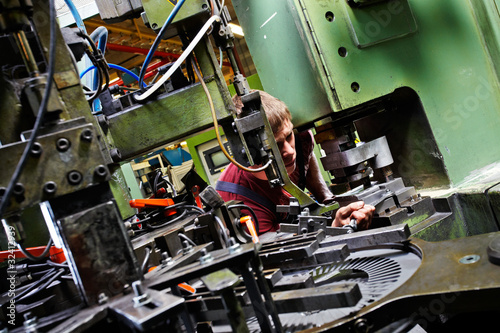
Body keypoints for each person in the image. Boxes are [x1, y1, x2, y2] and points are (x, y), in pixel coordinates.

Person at [216, 90, 375, 234]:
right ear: (250, 152)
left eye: (288, 136)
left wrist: (326, 199)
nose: (290, 151)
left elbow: (306, 154)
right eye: (276, 145)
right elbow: (280, 257)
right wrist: (336, 231)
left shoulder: (301, 138)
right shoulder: (241, 205)